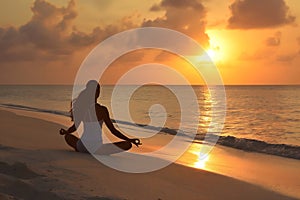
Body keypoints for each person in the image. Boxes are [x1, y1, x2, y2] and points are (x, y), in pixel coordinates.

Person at [59, 80, 141, 154]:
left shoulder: (82, 108)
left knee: (68, 137)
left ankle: (83, 149)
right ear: (98, 93)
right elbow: (113, 131)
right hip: (96, 149)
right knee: (127, 144)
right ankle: (98, 152)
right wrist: (130, 140)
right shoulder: (102, 110)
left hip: (82, 147)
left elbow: (74, 128)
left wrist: (66, 132)